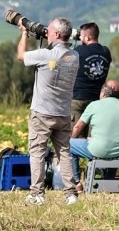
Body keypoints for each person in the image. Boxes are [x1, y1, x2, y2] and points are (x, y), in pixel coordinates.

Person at [16, 17, 80, 205]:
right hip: (63, 112)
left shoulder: (45, 55)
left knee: (37, 152)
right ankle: (70, 193)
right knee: (64, 153)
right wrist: (48, 36)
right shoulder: (74, 56)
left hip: (42, 112)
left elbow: (21, 55)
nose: (47, 32)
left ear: (58, 34)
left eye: (50, 30)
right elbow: (62, 49)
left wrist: (25, 33)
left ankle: (37, 193)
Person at [69, 80, 119, 188]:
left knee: (68, 145)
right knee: (106, 146)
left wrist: (72, 139)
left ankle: (76, 183)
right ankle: (109, 181)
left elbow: (78, 127)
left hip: (98, 150)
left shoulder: (94, 105)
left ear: (103, 92)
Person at [71, 22, 111, 136]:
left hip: (77, 98)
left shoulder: (79, 51)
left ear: (87, 37)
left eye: (82, 36)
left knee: (75, 139)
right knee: (91, 139)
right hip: (96, 99)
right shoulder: (106, 52)